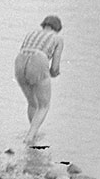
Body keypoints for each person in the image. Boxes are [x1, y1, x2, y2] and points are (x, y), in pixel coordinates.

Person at [15, 15, 64, 147]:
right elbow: (54, 67)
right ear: (57, 28)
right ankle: (30, 137)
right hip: (39, 59)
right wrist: (54, 74)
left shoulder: (31, 33)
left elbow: (24, 49)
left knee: (33, 103)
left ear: (43, 25)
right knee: (44, 105)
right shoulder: (57, 38)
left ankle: (33, 135)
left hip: (20, 60)